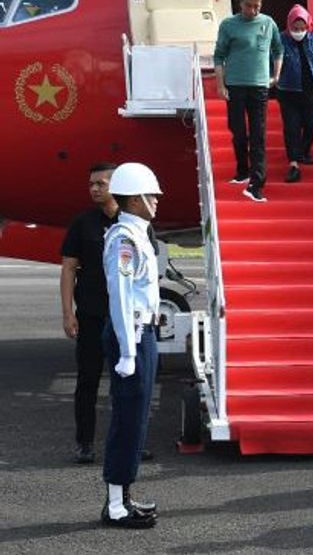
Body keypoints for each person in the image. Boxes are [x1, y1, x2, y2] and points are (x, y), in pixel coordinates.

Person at [99, 162, 164, 529]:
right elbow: (121, 298)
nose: (156, 200)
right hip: (133, 335)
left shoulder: (138, 233)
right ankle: (115, 505)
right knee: (127, 418)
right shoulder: (124, 238)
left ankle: (123, 496)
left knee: (137, 417)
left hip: (142, 334)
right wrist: (126, 351)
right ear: (134, 199)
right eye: (150, 194)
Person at [61, 163, 119, 464]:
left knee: (129, 382)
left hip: (126, 318)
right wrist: (68, 313)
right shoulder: (82, 224)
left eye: (101, 183)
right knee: (88, 381)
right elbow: (69, 268)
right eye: (91, 184)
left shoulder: (134, 222)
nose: (95, 188)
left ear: (116, 185)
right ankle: (84, 442)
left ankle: (131, 440)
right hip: (92, 315)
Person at [213, 0, 282, 202]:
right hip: (235, 85)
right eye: (249, 5)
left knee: (258, 135)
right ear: (240, 3)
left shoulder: (268, 23)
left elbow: (278, 50)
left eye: (257, 5)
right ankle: (242, 169)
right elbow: (219, 56)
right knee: (238, 131)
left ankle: (256, 183)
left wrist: (276, 75)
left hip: (259, 86)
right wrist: (220, 85)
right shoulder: (229, 25)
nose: (253, 10)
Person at [276, 3, 313, 183]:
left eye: (302, 28)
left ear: (308, 26)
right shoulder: (281, 40)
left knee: (312, 126)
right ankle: (294, 165)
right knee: (291, 128)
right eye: (295, 28)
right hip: (288, 92)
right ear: (289, 26)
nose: (299, 31)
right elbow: (272, 61)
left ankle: (304, 152)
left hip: (312, 91)